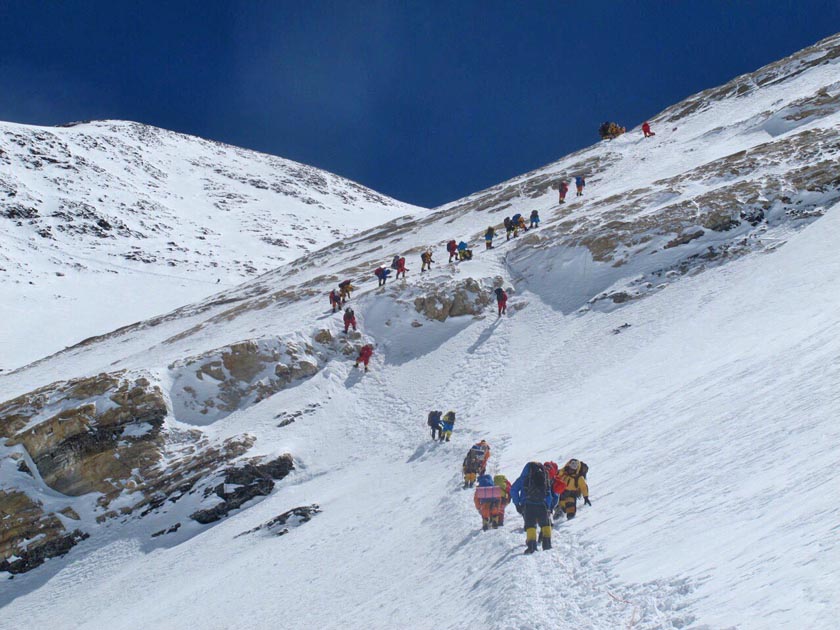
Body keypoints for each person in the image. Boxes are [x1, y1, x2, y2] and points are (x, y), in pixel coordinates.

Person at [511, 461, 558, 554]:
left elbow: (513, 490)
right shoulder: (545, 478)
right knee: (545, 524)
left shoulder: (523, 478)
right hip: (542, 504)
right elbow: (549, 494)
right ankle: (547, 544)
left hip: (528, 505)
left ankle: (532, 546)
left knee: (530, 525)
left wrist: (517, 504)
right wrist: (548, 507)